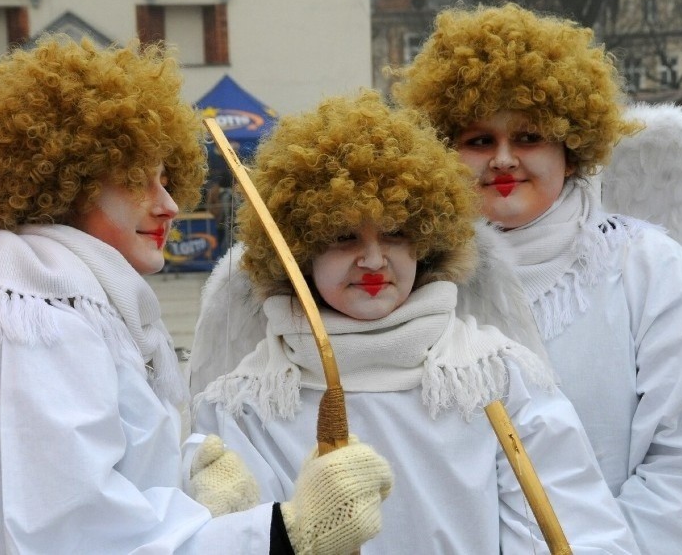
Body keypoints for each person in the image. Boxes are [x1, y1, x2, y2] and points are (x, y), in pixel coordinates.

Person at [0, 36, 391, 555]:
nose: (170, 205)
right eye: (138, 181)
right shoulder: (36, 319)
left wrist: (188, 470)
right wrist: (286, 535)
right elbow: (65, 535)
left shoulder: (46, 300)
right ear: (63, 182)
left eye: (166, 179)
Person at [390, 3, 682, 554]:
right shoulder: (404, 275)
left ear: (571, 152)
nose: (503, 160)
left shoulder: (644, 263)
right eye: (478, 141)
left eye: (528, 137)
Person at [190, 90, 640, 553]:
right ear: (301, 252)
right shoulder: (247, 404)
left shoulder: (496, 376)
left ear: (426, 242)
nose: (371, 260)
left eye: (395, 234)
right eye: (344, 237)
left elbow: (583, 527)